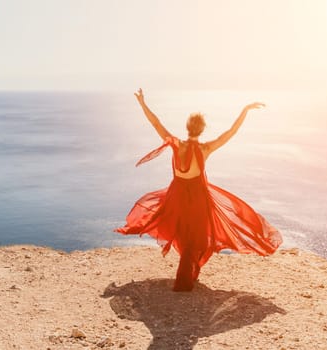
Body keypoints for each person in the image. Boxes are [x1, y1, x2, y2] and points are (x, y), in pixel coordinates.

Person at [115, 88, 282, 292]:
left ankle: (187, 274)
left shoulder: (176, 144)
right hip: (198, 198)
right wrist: (245, 110)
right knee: (197, 238)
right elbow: (230, 132)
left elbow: (156, 123)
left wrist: (142, 103)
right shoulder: (205, 149)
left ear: (187, 128)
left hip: (176, 195)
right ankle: (185, 278)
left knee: (184, 235)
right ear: (202, 129)